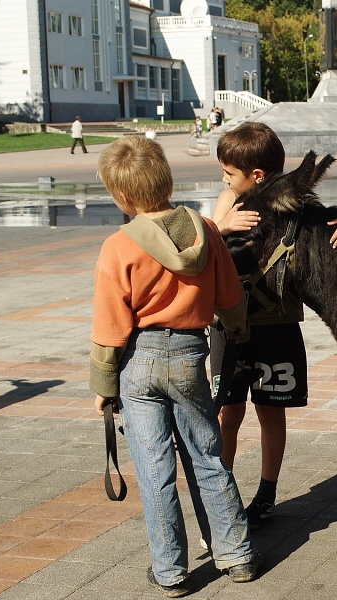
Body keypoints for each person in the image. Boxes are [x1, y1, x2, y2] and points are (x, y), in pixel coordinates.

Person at [90, 136, 260, 597]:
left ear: (121, 197)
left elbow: (110, 325)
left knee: (155, 467)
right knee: (206, 455)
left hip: (137, 362)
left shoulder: (118, 246)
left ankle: (170, 571)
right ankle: (237, 555)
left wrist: (104, 384)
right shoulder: (204, 228)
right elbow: (230, 298)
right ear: (166, 178)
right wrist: (238, 331)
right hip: (189, 355)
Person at [210, 122, 337, 530]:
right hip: (228, 329)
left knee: (271, 411)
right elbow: (207, 238)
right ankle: (221, 493)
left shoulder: (289, 204)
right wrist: (224, 227)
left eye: (229, 172)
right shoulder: (226, 202)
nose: (224, 179)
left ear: (257, 176)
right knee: (227, 412)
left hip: (276, 326)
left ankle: (266, 494)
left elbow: (329, 219)